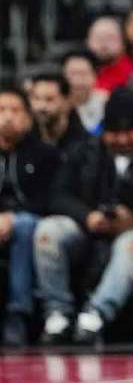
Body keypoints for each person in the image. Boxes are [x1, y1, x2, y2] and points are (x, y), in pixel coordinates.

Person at [35, 88, 133, 344]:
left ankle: (96, 314)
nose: (123, 140)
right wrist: (87, 216)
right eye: (115, 133)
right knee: (48, 231)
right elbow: (57, 195)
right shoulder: (83, 152)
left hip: (132, 234)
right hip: (86, 231)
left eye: (130, 132)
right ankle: (57, 311)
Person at [0, 88, 60, 346]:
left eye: (15, 110)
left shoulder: (45, 153)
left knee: (23, 227)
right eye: (1, 110)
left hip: (32, 222)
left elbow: (50, 199)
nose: (8, 117)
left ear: (28, 118)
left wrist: (11, 218)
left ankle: (18, 313)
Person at [29, 72, 90, 153]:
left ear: (67, 101)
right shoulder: (22, 141)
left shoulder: (87, 146)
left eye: (49, 99)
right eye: (36, 98)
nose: (41, 106)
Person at [62, 50, 107, 133]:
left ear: (95, 76)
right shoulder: (58, 104)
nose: (77, 81)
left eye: (83, 74)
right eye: (72, 74)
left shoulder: (106, 102)